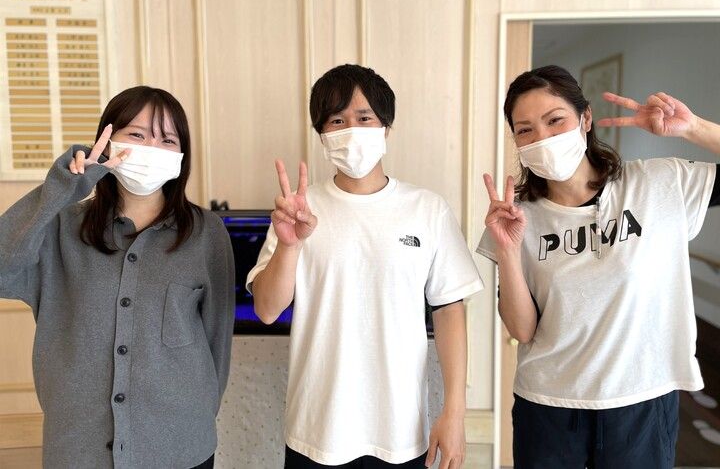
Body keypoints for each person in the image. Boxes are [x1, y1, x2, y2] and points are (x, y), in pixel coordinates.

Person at [476, 64, 720, 469]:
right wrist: (507, 250)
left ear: (585, 119)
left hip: (641, 402)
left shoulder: (658, 184)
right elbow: (522, 330)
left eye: (555, 120)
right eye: (525, 130)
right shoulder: (517, 215)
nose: (542, 138)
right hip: (548, 406)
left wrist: (693, 128)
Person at [247, 64, 483, 469]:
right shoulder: (299, 210)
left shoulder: (427, 209)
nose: (351, 130)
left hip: (400, 431)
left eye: (364, 117)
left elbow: (449, 310)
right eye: (337, 120)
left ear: (385, 127)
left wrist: (455, 413)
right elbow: (267, 310)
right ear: (322, 134)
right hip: (316, 430)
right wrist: (288, 245)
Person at [0, 86, 235, 469]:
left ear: (181, 155)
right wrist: (64, 189)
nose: (152, 147)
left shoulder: (206, 233)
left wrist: (198, 414)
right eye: (137, 134)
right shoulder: (61, 227)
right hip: (78, 447)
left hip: (179, 444)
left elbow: (217, 341)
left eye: (167, 140)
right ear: (107, 142)